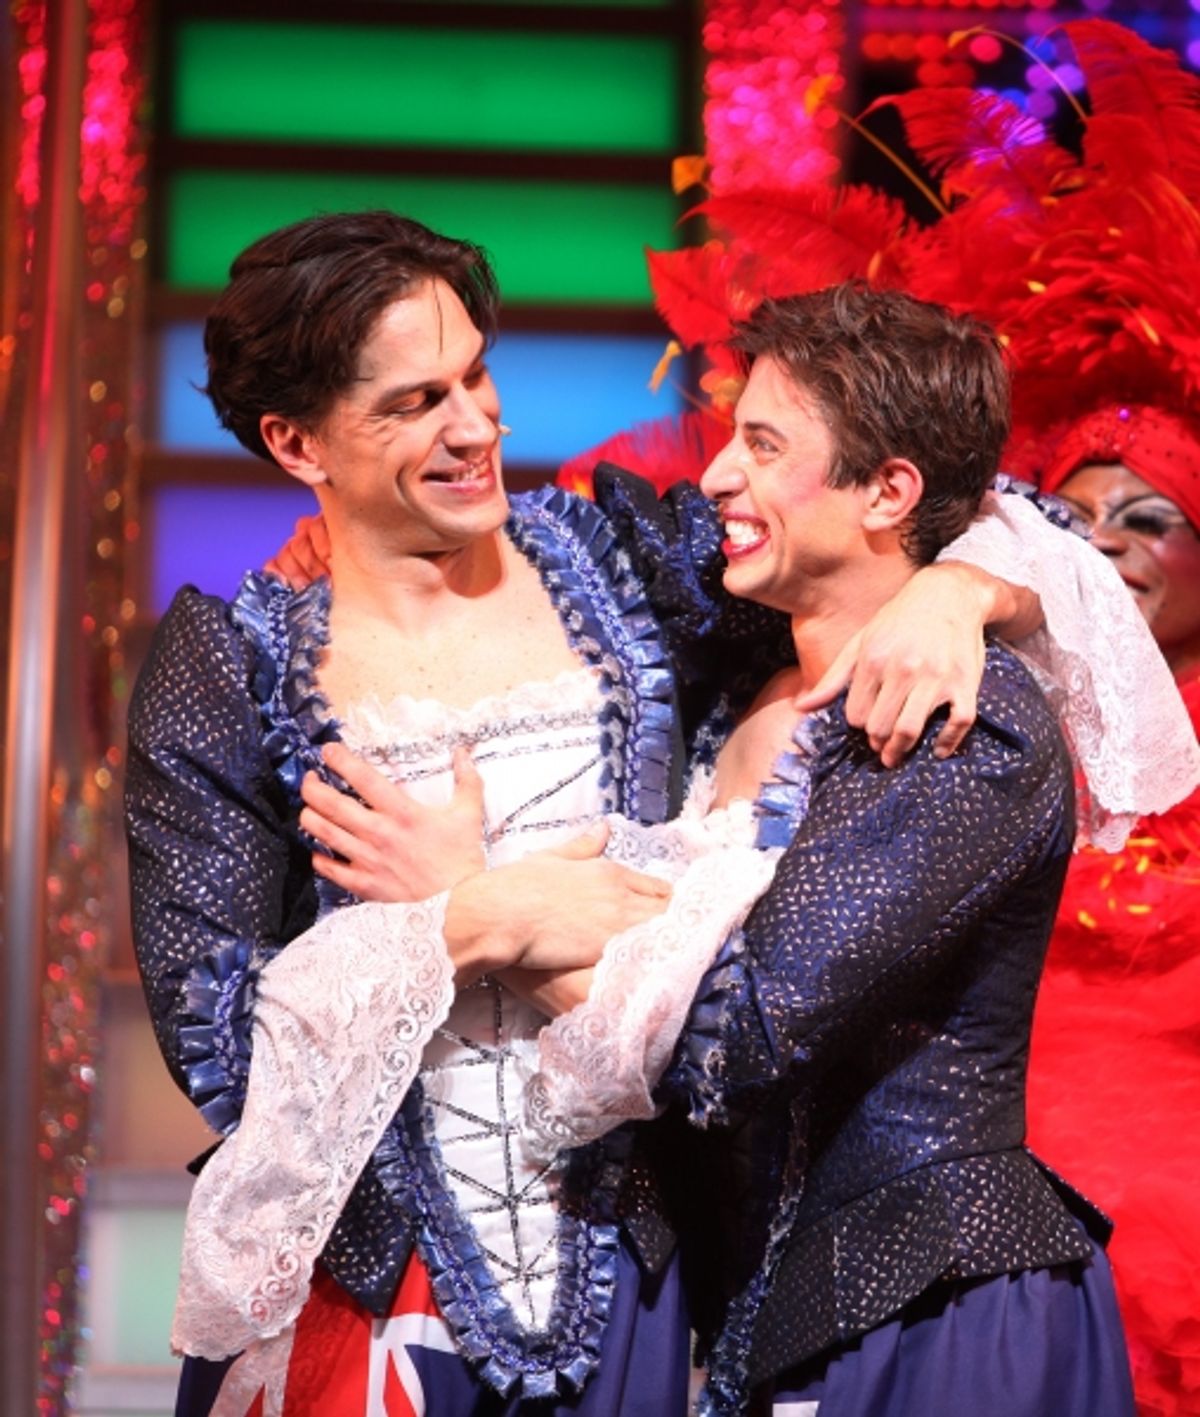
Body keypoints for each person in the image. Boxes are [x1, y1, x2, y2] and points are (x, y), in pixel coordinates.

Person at [125, 212, 1162, 1417]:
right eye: (413, 404)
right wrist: (468, 921)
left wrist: (961, 592)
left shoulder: (628, 567)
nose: (474, 427)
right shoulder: (233, 664)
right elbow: (220, 1044)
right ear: (297, 442)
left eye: (474, 376)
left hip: (624, 1263)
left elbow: (933, 503)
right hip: (360, 1271)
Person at [1024, 403, 1200, 1417]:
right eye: (1069, 518)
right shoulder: (982, 737)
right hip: (1003, 1249)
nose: (1102, 541)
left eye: (1146, 517)